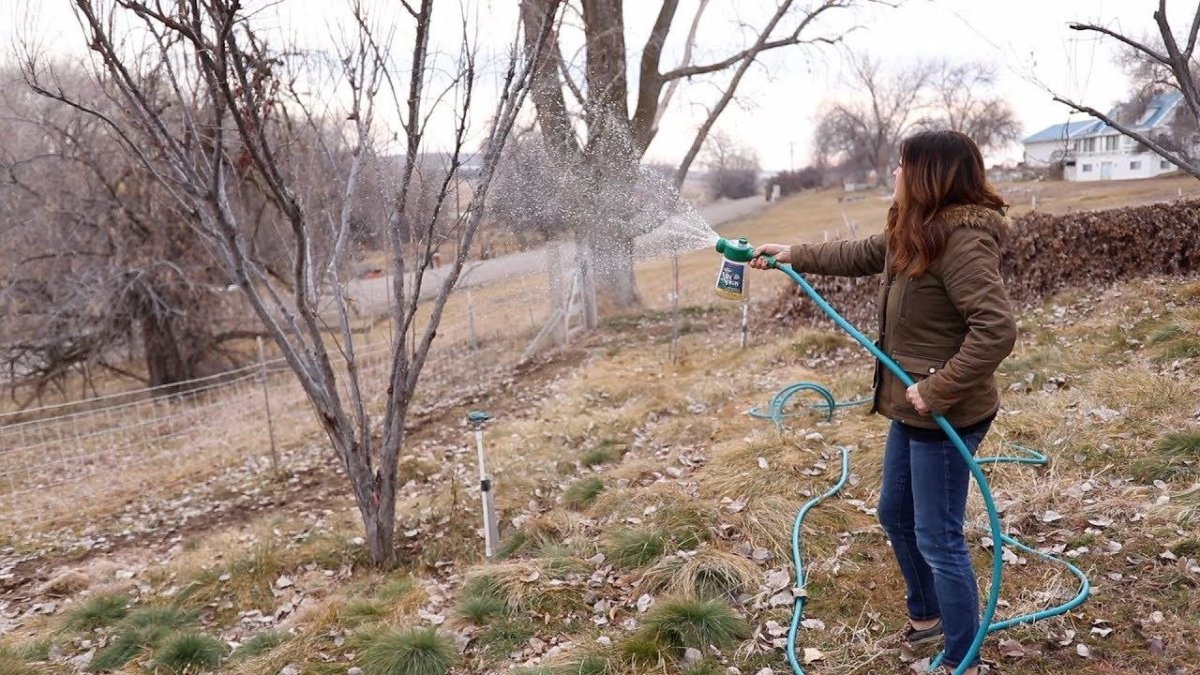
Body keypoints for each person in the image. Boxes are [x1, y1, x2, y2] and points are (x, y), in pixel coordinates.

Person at [751, 130, 1017, 675]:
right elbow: (861, 253)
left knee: (939, 537)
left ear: (928, 174)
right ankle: (928, 617)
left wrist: (937, 389)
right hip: (913, 409)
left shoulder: (961, 241)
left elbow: (996, 330)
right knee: (895, 514)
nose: (895, 172)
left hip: (945, 413)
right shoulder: (915, 229)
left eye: (903, 164)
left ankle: (962, 657)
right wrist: (794, 254)